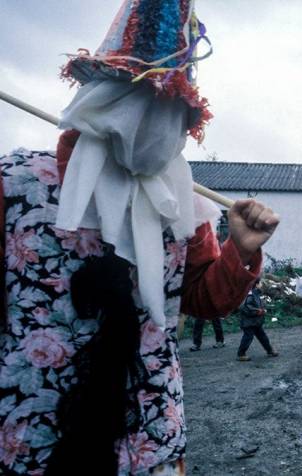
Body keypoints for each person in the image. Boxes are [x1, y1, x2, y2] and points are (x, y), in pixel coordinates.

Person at [0, 3, 279, 474]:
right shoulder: (17, 183)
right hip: (33, 434)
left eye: (171, 108)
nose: (151, 120)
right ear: (97, 96)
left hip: (148, 438)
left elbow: (198, 299)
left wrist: (240, 251)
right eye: (136, 98)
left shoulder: (182, 202)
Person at [237, 279, 279, 361]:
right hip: (249, 322)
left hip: (255, 322)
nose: (262, 284)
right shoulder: (250, 294)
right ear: (256, 285)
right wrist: (258, 311)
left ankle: (269, 351)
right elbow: (245, 307)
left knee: (262, 336)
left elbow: (255, 305)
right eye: (260, 283)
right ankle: (241, 354)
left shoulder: (255, 293)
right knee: (248, 337)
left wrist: (262, 310)